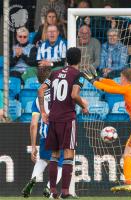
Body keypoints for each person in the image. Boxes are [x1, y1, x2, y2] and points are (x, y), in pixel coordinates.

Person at [83, 68, 131, 197]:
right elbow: (113, 85)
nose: (119, 79)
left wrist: (93, 82)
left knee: (128, 154)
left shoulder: (129, 88)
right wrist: (99, 79)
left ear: (124, 78)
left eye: (121, 77)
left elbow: (111, 89)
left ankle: (128, 182)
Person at [38, 47, 88, 198]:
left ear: (66, 59)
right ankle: (65, 191)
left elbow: (40, 90)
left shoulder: (54, 73)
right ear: (79, 59)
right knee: (68, 155)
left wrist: (43, 112)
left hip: (53, 118)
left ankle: (53, 190)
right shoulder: (79, 75)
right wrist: (84, 105)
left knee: (54, 155)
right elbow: (74, 95)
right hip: (67, 119)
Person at [21, 67, 63, 198]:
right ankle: (50, 187)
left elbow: (33, 124)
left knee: (44, 159)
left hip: (45, 133)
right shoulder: (60, 92)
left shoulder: (37, 100)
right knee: (62, 163)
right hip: (61, 131)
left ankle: (33, 179)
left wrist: (33, 146)